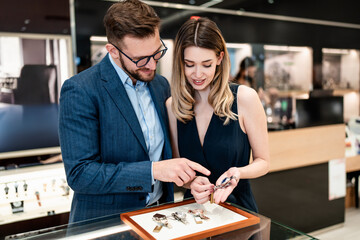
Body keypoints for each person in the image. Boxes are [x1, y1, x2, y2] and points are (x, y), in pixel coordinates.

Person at [59, 0, 210, 223]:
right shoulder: (80, 90)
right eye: (140, 59)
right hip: (107, 225)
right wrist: (152, 171)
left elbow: (163, 156)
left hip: (160, 217)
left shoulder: (160, 86)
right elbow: (81, 174)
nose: (151, 65)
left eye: (157, 53)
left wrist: (186, 179)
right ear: (113, 51)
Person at [166, 17, 270, 212]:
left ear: (220, 59)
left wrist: (237, 172)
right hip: (193, 212)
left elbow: (263, 162)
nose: (197, 74)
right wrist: (192, 183)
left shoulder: (244, 98)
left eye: (206, 64)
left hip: (238, 209)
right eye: (189, 64)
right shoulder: (173, 106)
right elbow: (181, 173)